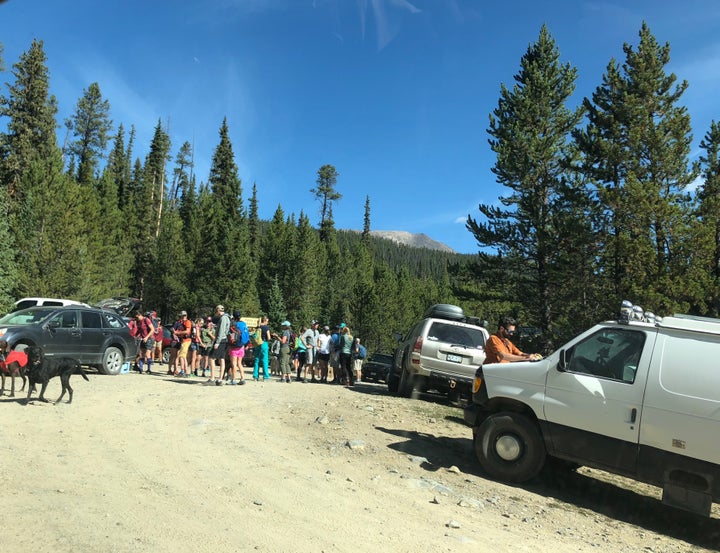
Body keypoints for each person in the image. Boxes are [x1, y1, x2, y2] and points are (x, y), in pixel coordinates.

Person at [208, 305, 231, 386]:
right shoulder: (226, 317)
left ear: (218, 310)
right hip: (224, 340)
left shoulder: (223, 318)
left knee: (211, 357)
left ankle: (213, 378)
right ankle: (220, 379)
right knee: (222, 358)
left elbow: (221, 331)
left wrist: (217, 342)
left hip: (221, 340)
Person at [227, 310, 247, 385]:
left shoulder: (233, 324)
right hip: (241, 346)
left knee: (234, 364)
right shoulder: (243, 324)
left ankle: (234, 379)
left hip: (234, 346)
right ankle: (243, 378)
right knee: (239, 363)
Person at [252, 316, 271, 381]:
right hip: (264, 343)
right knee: (264, 360)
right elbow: (269, 338)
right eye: (267, 321)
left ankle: (255, 376)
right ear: (265, 321)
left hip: (257, 344)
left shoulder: (258, 327)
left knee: (257, 359)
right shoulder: (266, 327)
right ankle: (265, 376)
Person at [175, 311, 193, 377]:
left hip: (186, 340)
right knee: (183, 356)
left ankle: (182, 371)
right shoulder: (184, 322)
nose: (181, 317)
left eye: (181, 316)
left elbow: (187, 331)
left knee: (181, 356)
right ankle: (186, 371)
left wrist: (178, 333)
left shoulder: (187, 322)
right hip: (184, 340)